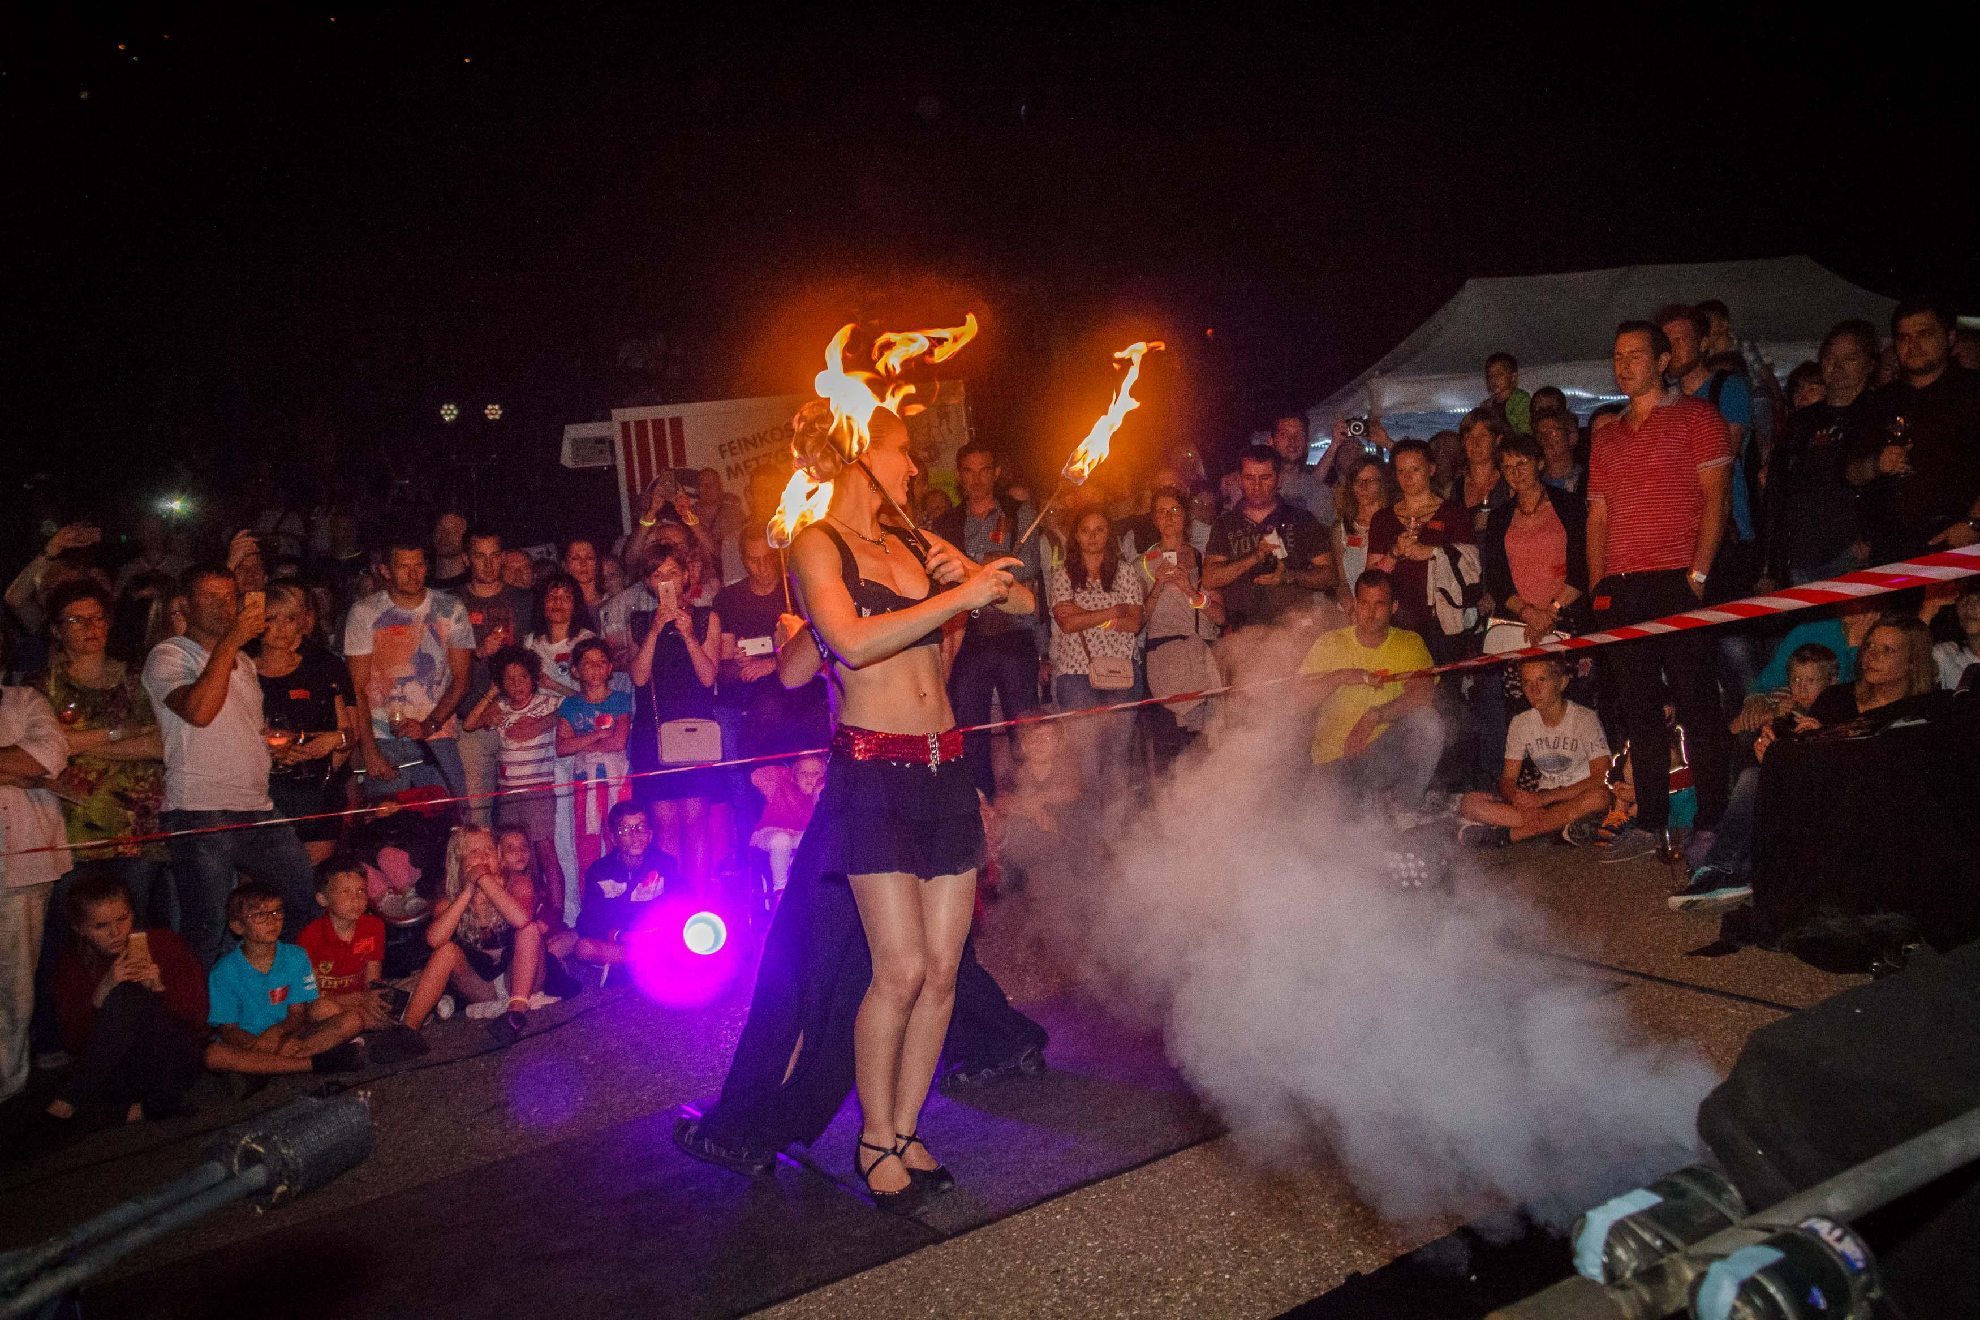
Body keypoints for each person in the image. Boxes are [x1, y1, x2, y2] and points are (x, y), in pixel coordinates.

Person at [685, 399, 1027, 1212]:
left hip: (946, 768)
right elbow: (854, 642)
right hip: (874, 774)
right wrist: (958, 598)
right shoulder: (818, 542)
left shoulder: (913, 544)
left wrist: (969, 576)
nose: (914, 467)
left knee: (942, 970)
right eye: (902, 452)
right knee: (899, 968)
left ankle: (905, 1130)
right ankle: (873, 1138)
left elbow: (1018, 605)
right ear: (861, 455)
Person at [1586, 321, 1733, 866]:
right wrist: (1599, 588)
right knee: (1638, 710)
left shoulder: (1699, 417)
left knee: (1698, 703)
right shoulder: (1606, 434)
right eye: (1616, 356)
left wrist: (1698, 575)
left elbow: (1716, 498)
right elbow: (1598, 517)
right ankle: (1651, 820)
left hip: (1677, 577)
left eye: (1634, 355)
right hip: (1623, 585)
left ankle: (1712, 820)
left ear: (1662, 360)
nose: (1623, 365)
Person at [143, 565, 318, 965]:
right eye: (211, 597)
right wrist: (232, 640)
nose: (224, 606)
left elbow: (241, 727)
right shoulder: (169, 654)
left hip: (255, 804)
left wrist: (272, 748)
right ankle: (202, 1005)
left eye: (230, 597)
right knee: (208, 928)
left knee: (301, 899)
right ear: (184, 605)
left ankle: (273, 988)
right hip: (201, 808)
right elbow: (199, 712)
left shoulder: (243, 661)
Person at [31, 581, 167, 923]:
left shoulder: (137, 679)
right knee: (73, 934)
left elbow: (159, 744)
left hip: (135, 828)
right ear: (56, 630)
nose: (90, 627)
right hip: (72, 831)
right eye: (76, 620)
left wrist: (78, 740)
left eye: (97, 617)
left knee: (132, 931)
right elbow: (47, 747)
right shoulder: (43, 687)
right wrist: (122, 732)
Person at [1668, 644, 1838, 913]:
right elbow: (1736, 733)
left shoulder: (1837, 711)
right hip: (1778, 796)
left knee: (1753, 780)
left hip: (1818, 800)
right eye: (1795, 679)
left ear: (1832, 682)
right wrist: (1771, 727)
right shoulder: (1784, 711)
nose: (1801, 688)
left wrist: (1817, 733)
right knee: (1750, 774)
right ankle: (1723, 871)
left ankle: (1722, 869)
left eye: (1811, 681)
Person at [41, 872, 206, 1136]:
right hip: (116, 1068)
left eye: (122, 919)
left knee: (131, 995)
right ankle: (143, 1108)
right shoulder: (73, 964)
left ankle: (70, 1101)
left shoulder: (163, 943)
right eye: (101, 926)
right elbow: (75, 1042)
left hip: (170, 1056)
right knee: (124, 995)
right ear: (80, 929)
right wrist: (101, 993)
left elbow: (197, 1021)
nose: (116, 933)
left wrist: (158, 990)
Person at [932, 444, 1044, 799]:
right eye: (969, 470)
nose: (977, 479)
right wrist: (991, 565)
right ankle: (981, 805)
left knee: (1024, 728)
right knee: (970, 729)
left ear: (996, 473)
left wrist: (971, 568)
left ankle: (1031, 805)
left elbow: (1027, 566)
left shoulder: (1019, 512)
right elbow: (941, 576)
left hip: (1014, 632)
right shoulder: (945, 523)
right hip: (969, 634)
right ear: (959, 476)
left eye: (984, 470)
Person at [1297, 570, 1443, 822]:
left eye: (1379, 604)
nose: (1370, 612)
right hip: (1334, 761)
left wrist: (1375, 715)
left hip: (1382, 756)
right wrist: (1341, 676)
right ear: (1355, 604)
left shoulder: (1409, 643)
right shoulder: (1330, 643)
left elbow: (1423, 694)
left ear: (1393, 607)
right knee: (1316, 831)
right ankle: (1372, 811)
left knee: (1427, 723)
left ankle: (1404, 811)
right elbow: (1299, 698)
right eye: (1364, 603)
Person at [1848, 295, 1980, 561]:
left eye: (1924, 334)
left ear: (1950, 338)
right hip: (1890, 547)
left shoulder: (1973, 391)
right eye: (1904, 337)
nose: (1913, 345)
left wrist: (1973, 524)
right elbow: (1850, 470)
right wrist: (1876, 465)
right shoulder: (1880, 401)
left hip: (1955, 542)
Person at [344, 539, 475, 806]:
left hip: (436, 737)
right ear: (386, 570)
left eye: (419, 565)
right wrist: (369, 750)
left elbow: (461, 680)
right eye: (404, 567)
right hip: (383, 738)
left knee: (450, 816)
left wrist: (429, 725)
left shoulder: (451, 608)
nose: (413, 574)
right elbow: (356, 688)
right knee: (390, 824)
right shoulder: (364, 613)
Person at [2, 642, 73, 1104]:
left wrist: (28, 768)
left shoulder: (24, 701)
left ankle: (7, 1089)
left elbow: (47, 756)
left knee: (13, 985)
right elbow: (27, 766)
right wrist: (16, 769)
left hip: (20, 863)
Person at [626, 545, 723, 881]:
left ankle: (700, 899)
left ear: (685, 576)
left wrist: (689, 635)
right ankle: (672, 898)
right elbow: (639, 677)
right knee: (664, 824)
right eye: (657, 575)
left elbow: (708, 676)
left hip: (695, 727)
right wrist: (655, 630)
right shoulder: (640, 622)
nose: (665, 580)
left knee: (696, 822)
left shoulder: (706, 617)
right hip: (654, 730)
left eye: (671, 572)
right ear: (648, 582)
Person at [203, 882, 366, 1077]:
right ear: (237, 926)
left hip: (289, 1034)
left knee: (352, 1020)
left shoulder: (296, 956)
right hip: (248, 1043)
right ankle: (310, 1064)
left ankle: (266, 1068)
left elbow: (297, 1014)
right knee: (213, 1055)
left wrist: (278, 1033)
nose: (272, 921)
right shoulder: (223, 971)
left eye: (276, 912)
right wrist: (259, 1043)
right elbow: (228, 1030)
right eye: (260, 915)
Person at [401, 826, 548, 1041]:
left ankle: (515, 1015)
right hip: (482, 986)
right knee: (446, 951)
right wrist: (468, 891)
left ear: (499, 855)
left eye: (489, 849)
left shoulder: (518, 884)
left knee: (530, 931)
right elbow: (434, 940)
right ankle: (407, 1029)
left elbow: (521, 920)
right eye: (474, 851)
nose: (483, 856)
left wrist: (485, 880)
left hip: (522, 978)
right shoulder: (448, 902)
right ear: (459, 862)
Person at [1659, 304, 1761, 600]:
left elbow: (1722, 455)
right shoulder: (1665, 401)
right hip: (1679, 537)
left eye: (1680, 339)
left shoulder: (1728, 387)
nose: (1673, 349)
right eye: (1667, 341)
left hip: (1725, 532)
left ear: (1703, 343)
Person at [1767, 320, 1881, 584]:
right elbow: (1777, 490)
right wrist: (1770, 563)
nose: (1837, 367)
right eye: (1830, 358)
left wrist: (1873, 537)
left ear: (1869, 364)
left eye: (1850, 359)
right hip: (1800, 554)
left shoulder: (1880, 414)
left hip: (1853, 553)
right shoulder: (1801, 422)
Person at [1458, 658, 1611, 847]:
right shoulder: (1521, 723)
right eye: (1527, 683)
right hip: (1545, 804)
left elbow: (1602, 776)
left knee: (1599, 798)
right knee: (1469, 804)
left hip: (1576, 796)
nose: (1534, 690)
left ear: (1561, 683)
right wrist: (1520, 801)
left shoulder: (1584, 718)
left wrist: (1545, 798)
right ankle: (1557, 829)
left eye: (1541, 680)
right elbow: (1507, 780)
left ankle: (1510, 835)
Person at [252, 583, 353, 865]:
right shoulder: (243, 671)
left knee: (313, 876)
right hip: (263, 791)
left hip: (315, 789)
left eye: (290, 619)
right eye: (272, 619)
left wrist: (333, 743)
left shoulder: (322, 668)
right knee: (266, 878)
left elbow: (347, 733)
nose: (282, 628)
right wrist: (271, 751)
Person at [465, 646, 566, 902]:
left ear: (532, 677)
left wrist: (552, 687)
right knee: (512, 855)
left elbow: (580, 702)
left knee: (544, 850)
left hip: (538, 791)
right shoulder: (501, 708)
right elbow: (469, 724)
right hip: (508, 792)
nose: (517, 684)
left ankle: (556, 912)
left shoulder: (547, 703)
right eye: (509, 679)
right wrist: (491, 693)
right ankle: (522, 907)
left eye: (523, 677)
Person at [1367, 439, 1476, 665]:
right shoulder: (1383, 519)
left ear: (1431, 469)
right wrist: (1394, 554)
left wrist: (1433, 552)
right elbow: (1371, 577)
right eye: (1401, 471)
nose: (1408, 477)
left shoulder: (1454, 514)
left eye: (1415, 469)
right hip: (1397, 620)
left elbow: (1472, 565)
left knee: (1442, 683)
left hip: (1441, 621)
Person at [547, 799, 678, 987]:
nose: (635, 835)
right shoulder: (600, 871)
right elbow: (588, 920)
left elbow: (679, 903)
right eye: (625, 830)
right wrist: (620, 935)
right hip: (618, 937)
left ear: (650, 835)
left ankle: (629, 965)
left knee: (682, 937)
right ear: (613, 838)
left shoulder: (665, 864)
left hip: (652, 934)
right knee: (581, 948)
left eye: (640, 828)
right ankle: (641, 962)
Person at [1202, 445, 1333, 631]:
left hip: (1296, 629)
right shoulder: (1225, 524)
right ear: (1239, 480)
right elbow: (1210, 579)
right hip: (1243, 632)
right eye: (1249, 478)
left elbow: (1329, 576)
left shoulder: (1302, 519)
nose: (1257, 486)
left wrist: (1290, 576)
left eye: (1265, 478)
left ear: (1279, 480)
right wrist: (1256, 556)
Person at [294, 855, 418, 1047]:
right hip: (332, 1004)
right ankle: (366, 1026)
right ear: (323, 899)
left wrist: (375, 999)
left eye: (361, 890)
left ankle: (363, 1027)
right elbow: (313, 997)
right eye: (345, 892)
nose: (356, 899)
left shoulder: (373, 926)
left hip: (362, 1000)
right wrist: (361, 999)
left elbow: (372, 982)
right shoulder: (310, 937)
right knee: (322, 1009)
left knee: (418, 981)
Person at [1138, 485, 1223, 764]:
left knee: (1209, 750)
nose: (1169, 517)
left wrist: (1190, 591)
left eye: (1175, 510)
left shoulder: (1203, 559)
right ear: (1154, 518)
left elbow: (1219, 616)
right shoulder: (1141, 565)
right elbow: (1138, 621)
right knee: (1172, 752)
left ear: (1185, 515)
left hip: (1202, 658)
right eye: (1161, 512)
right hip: (1164, 662)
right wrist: (1158, 586)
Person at [457, 530, 535, 827]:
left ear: (502, 557)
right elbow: (440, 663)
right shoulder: (453, 603)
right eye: (480, 556)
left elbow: (538, 655)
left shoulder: (524, 600)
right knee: (476, 816)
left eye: (494, 556)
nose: (488, 564)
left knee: (527, 817)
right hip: (472, 722)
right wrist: (479, 651)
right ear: (466, 559)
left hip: (520, 719)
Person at [1046, 507, 1147, 711]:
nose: (1092, 536)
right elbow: (1067, 624)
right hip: (1076, 672)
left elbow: (1134, 624)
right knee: (1082, 733)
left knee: (1120, 733)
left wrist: (1080, 613)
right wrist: (1113, 612)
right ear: (1076, 535)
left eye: (1099, 530)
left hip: (1121, 670)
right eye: (1085, 530)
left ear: (1108, 533)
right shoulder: (1063, 575)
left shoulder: (1125, 572)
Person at [555, 638, 634, 878]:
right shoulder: (570, 705)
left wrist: (582, 743)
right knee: (586, 842)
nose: (596, 668)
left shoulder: (619, 699)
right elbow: (563, 747)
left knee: (619, 836)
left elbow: (618, 742)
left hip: (617, 780)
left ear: (610, 668)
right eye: (588, 663)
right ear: (576, 670)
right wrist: (598, 735)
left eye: (601, 662)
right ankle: (590, 894)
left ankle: (622, 888)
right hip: (585, 781)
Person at [1331, 458, 1391, 610]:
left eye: (1370, 481)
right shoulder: (1341, 528)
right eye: (1358, 481)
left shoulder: (1393, 524)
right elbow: (1342, 581)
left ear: (1382, 484)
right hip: (1351, 608)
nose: (1363, 487)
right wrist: (1349, 603)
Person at [525, 572, 596, 698]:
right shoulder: (531, 643)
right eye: (551, 596)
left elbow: (593, 697)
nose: (558, 602)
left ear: (575, 605)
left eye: (566, 598)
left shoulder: (587, 641)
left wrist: (554, 686)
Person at [1454, 407, 1513, 538]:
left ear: (1497, 440)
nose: (1476, 443)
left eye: (1483, 436)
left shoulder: (1510, 484)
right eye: (1469, 436)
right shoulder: (1456, 487)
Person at [1269, 414, 1335, 524]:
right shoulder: (1253, 486)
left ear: (1306, 443)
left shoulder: (1321, 493)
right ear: (1271, 441)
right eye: (1284, 434)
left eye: (1299, 434)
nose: (1292, 440)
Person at [1929, 586, 1980, 689]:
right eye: (1963, 599)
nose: (1969, 606)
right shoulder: (1945, 654)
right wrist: (1928, 611)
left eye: (1978, 599)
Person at [1534, 408, 1585, 494]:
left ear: (1571, 437)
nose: (1545, 438)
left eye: (1551, 432)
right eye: (1540, 434)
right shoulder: (1531, 482)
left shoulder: (1587, 480)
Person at [560, 538, 606, 632]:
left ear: (597, 564)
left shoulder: (613, 601)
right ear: (565, 566)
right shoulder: (561, 608)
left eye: (589, 558)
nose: (583, 564)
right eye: (575, 558)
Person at [1486, 352, 1532, 436]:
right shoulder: (1487, 405)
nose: (1494, 379)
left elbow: (1525, 431)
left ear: (1513, 377)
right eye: (1490, 375)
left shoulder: (1521, 399)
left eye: (1500, 374)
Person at [429, 511, 471, 592]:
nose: (445, 535)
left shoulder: (473, 586)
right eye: (440, 529)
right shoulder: (421, 584)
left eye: (454, 531)